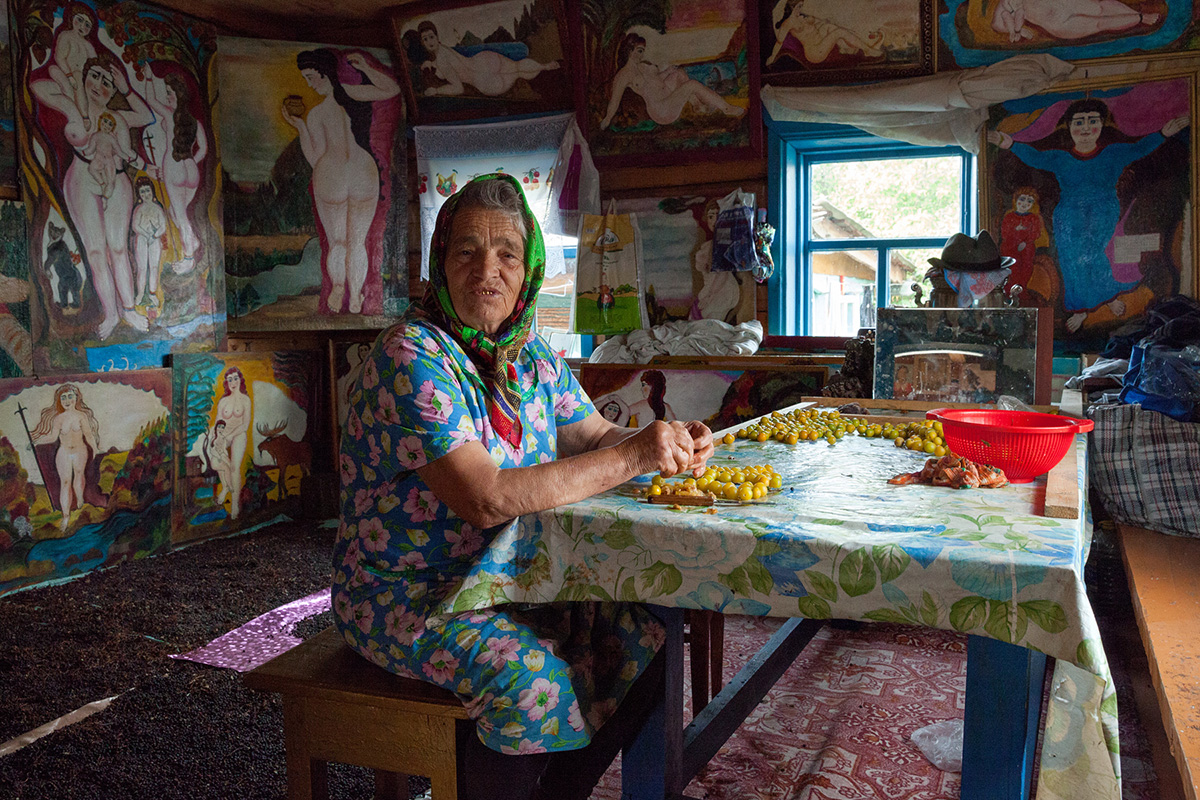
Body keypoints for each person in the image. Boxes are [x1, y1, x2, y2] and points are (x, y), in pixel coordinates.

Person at [333, 173, 713, 800]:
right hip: (413, 592)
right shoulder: (411, 356)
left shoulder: (530, 353)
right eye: (466, 250)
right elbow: (485, 498)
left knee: (648, 641)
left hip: (517, 578)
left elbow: (592, 437)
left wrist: (664, 441)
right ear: (440, 263)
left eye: (507, 252)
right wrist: (638, 455)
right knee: (531, 683)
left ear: (530, 268)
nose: (488, 268)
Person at [988, 98, 1187, 332]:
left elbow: (1139, 149)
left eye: (1092, 121)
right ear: (1069, 127)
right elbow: (1036, 158)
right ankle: (1081, 308)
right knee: (1071, 260)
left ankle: (1105, 297)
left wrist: (1163, 133)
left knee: (1092, 254)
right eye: (1079, 122)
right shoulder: (1060, 158)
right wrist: (1009, 143)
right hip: (1068, 215)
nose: (1085, 128)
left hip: (1102, 210)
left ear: (1102, 125)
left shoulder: (1113, 153)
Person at [31, 50, 155, 340]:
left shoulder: (118, 116)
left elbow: (147, 115)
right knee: (96, 252)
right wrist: (74, 96)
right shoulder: (76, 108)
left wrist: (125, 88)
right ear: (85, 79)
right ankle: (110, 313)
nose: (100, 85)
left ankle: (128, 309)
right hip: (82, 178)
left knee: (118, 249)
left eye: (107, 83)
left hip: (118, 179)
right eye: (94, 77)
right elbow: (37, 86)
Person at [283, 49, 400, 315]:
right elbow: (390, 89)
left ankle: (339, 288)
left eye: (312, 77)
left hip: (332, 175)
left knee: (338, 243)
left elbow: (315, 158)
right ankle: (356, 295)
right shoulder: (354, 93)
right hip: (362, 172)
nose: (310, 84)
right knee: (357, 242)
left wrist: (300, 126)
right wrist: (368, 70)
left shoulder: (317, 114)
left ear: (326, 73)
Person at [137, 72, 207, 275]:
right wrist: (192, 161)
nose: (167, 97)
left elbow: (150, 99)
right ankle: (192, 241)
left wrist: (149, 77)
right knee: (175, 211)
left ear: (178, 95)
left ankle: (188, 259)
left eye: (169, 93)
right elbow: (203, 148)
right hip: (191, 170)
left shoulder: (169, 114)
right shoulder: (195, 122)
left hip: (174, 168)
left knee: (182, 216)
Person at [600, 32, 743, 130]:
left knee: (678, 73)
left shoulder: (643, 66)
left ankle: (697, 105)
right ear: (629, 50)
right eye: (639, 50)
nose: (641, 54)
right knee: (691, 85)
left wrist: (667, 71)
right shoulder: (624, 75)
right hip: (661, 110)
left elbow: (657, 81)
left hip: (667, 98)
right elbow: (614, 101)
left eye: (643, 50)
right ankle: (726, 108)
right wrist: (606, 120)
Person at [416, 20, 560, 97]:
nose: (430, 42)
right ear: (422, 42)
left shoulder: (441, 58)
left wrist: (436, 91)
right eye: (425, 39)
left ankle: (545, 69)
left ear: (437, 37)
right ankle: (545, 67)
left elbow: (458, 88)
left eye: (431, 37)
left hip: (484, 80)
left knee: (517, 72)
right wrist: (431, 62)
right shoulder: (444, 50)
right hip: (485, 62)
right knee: (517, 67)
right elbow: (447, 63)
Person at [31, 384, 99, 531]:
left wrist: (94, 447)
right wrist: (36, 441)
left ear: (76, 398)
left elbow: (88, 434)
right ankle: (66, 516)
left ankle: (80, 501)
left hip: (80, 450)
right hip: (64, 453)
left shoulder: (81, 416)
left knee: (79, 476)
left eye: (70, 396)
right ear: (59, 401)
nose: (67, 400)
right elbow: (52, 436)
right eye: (63, 397)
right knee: (65, 482)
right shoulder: (58, 418)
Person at [766, 0, 883, 66]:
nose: (801, 8)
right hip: (815, 52)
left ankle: (846, 47)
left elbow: (820, 22)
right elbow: (779, 42)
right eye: (800, 6)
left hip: (820, 43)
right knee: (838, 32)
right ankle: (867, 50)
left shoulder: (803, 18)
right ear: (794, 6)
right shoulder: (789, 23)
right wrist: (772, 57)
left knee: (829, 26)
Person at [990, 0, 1159, 43]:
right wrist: (1016, 31)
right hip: (1057, 24)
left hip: (1066, 4)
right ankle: (1140, 18)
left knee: (1100, 9)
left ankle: (1139, 15)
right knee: (1099, 24)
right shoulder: (1005, 4)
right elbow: (997, 24)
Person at [212, 366, 252, 519]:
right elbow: (217, 423)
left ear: (240, 380)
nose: (233, 382)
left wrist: (230, 436)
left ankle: (235, 502)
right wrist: (220, 437)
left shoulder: (245, 400)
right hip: (223, 435)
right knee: (216, 463)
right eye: (230, 379)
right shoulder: (223, 401)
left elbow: (245, 424)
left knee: (235, 467)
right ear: (226, 383)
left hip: (238, 435)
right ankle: (226, 487)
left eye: (235, 378)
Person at [47, 3, 97, 122]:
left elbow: (95, 63)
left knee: (81, 83)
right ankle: (84, 116)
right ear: (72, 18)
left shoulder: (88, 45)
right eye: (79, 20)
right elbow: (60, 57)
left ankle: (85, 115)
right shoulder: (66, 36)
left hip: (81, 76)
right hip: (65, 72)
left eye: (87, 25)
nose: (82, 26)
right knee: (75, 82)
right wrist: (69, 76)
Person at [999, 186, 1044, 293]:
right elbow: (1005, 233)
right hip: (1010, 247)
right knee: (1012, 268)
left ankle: (1022, 290)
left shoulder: (1034, 218)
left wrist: (1025, 242)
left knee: (1026, 268)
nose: (1025, 203)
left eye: (1030, 201)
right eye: (1022, 199)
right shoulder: (1009, 217)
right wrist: (1016, 232)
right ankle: (1010, 290)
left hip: (1026, 248)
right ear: (1016, 200)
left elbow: (1036, 233)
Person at [130, 176, 167, 307]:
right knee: (142, 268)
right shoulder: (138, 209)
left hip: (154, 240)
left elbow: (163, 225)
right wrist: (146, 234)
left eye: (148, 190)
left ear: (152, 190)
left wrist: (155, 234)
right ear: (139, 195)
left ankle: (152, 293)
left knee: (154, 267)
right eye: (142, 192)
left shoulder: (158, 208)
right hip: (141, 239)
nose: (146, 194)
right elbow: (135, 225)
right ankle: (140, 293)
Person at [82, 112, 135, 200]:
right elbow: (90, 150)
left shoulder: (111, 139)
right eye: (105, 121)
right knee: (91, 168)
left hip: (109, 161)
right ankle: (102, 184)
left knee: (111, 183)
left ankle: (105, 199)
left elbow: (119, 152)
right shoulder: (95, 136)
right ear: (100, 121)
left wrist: (128, 158)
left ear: (112, 128)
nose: (106, 125)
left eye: (110, 124)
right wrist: (82, 152)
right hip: (98, 159)